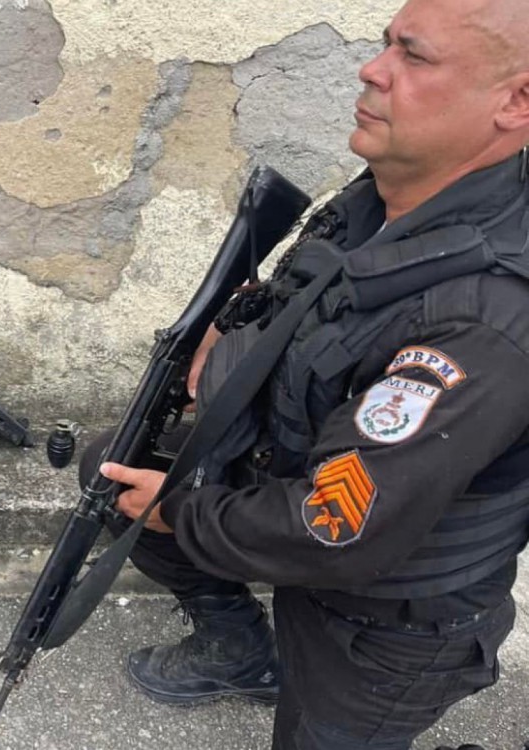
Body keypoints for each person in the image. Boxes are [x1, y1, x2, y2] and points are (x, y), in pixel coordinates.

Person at [81, 0, 529, 747]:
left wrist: (180, 511)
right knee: (113, 470)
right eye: (386, 44)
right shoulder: (395, 187)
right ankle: (243, 653)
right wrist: (231, 326)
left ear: (515, 102)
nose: (372, 68)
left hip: (382, 622)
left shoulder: (481, 322)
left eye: (413, 58)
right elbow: (312, 279)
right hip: (300, 479)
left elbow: (337, 528)